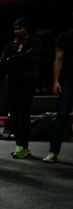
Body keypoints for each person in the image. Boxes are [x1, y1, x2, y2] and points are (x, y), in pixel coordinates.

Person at [0, 18, 42, 159]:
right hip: (11, 82)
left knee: (24, 113)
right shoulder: (10, 45)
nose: (17, 31)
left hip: (27, 81)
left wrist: (11, 60)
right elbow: (1, 64)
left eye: (20, 28)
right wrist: (22, 58)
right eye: (15, 29)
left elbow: (32, 58)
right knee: (14, 114)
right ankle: (19, 144)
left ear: (26, 29)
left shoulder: (35, 43)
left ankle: (24, 145)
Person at [43, 13, 73, 163]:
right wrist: (56, 81)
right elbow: (58, 60)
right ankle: (53, 152)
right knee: (61, 117)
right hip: (68, 82)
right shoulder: (65, 37)